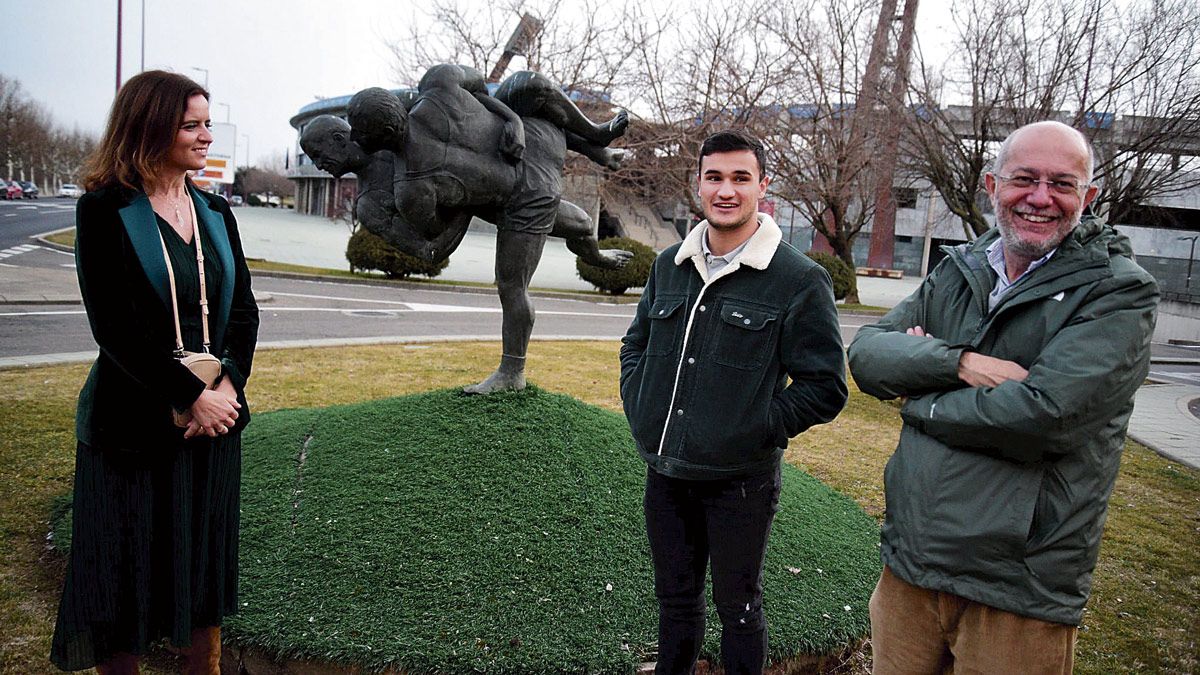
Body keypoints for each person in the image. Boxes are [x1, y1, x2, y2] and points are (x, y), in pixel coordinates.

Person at [847, 120, 1158, 673]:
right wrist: (959, 363)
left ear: (1087, 197)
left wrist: (920, 398)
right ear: (991, 187)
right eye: (1024, 179)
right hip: (910, 567)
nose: (1041, 198)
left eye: (1062, 184)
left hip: (1017, 587)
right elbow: (868, 355)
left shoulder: (1118, 290)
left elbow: (1044, 414)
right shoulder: (960, 269)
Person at [50, 70, 259, 674]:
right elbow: (114, 327)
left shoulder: (217, 213)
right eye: (190, 125)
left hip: (211, 428)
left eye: (207, 124)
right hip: (131, 428)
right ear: (149, 128)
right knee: (123, 579)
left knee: (200, 572)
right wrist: (190, 394)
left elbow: (242, 311)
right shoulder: (105, 210)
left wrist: (226, 388)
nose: (205, 137)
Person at [619, 129, 848, 674]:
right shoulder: (668, 264)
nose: (726, 190)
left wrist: (757, 427)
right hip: (667, 471)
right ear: (697, 185)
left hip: (739, 481)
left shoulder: (799, 279)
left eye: (740, 178)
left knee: (738, 611)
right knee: (675, 605)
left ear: (763, 187)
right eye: (714, 177)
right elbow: (636, 344)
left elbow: (826, 386)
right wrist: (641, 405)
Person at [300, 65, 631, 394]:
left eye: (318, 154)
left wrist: (512, 122)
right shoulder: (379, 201)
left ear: (341, 137)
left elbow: (478, 91)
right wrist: (467, 201)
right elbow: (431, 250)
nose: (318, 165)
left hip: (530, 143)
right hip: (520, 202)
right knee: (568, 239)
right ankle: (512, 370)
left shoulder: (423, 99)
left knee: (526, 85)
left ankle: (598, 142)